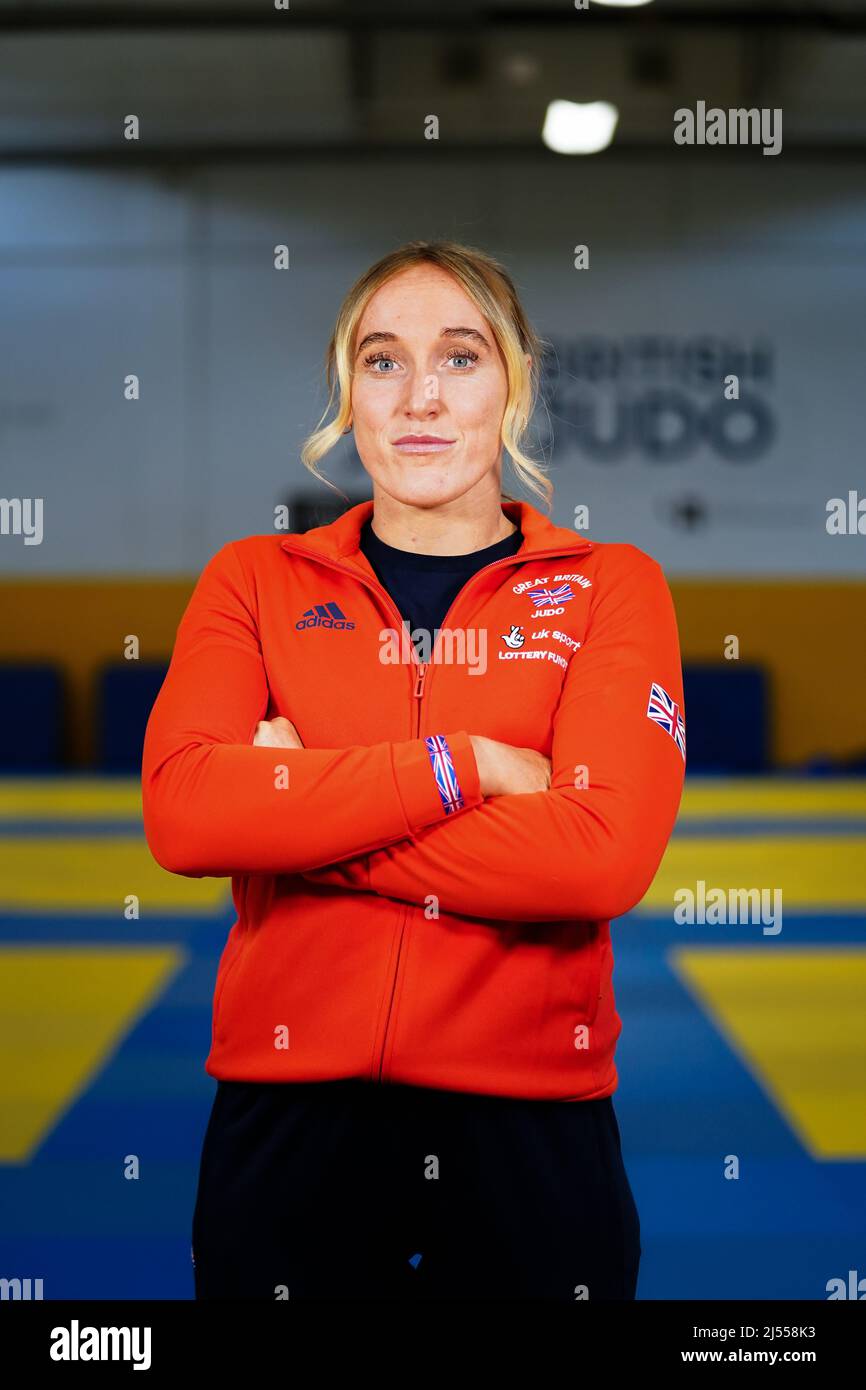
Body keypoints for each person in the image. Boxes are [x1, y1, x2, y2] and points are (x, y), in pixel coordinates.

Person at [141, 239, 686, 1301]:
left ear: (514, 384)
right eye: (382, 360)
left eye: (461, 357)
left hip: (532, 1125)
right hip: (288, 1117)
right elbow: (184, 817)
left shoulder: (607, 588)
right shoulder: (254, 580)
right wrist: (463, 765)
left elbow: (595, 862)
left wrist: (301, 808)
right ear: (349, 392)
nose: (419, 396)